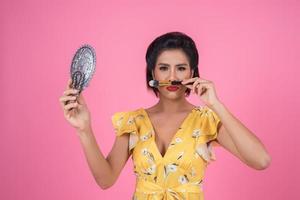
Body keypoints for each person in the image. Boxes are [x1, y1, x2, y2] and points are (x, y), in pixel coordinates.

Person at [59, 32, 271, 200]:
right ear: (152, 74)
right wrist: (83, 129)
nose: (171, 77)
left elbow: (261, 160)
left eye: (180, 68)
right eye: (163, 68)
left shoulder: (207, 121)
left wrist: (216, 104)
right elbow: (105, 180)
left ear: (192, 73)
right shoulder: (134, 122)